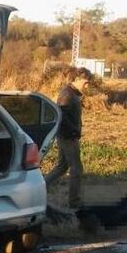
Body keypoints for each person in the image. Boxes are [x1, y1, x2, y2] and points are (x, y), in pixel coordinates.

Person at [45, 67, 91, 210]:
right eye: (86, 82)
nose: (87, 86)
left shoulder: (73, 94)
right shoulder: (67, 95)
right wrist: (72, 132)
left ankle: (39, 187)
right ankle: (74, 203)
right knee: (76, 169)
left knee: (62, 167)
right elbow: (61, 116)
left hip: (68, 135)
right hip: (68, 137)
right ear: (76, 79)